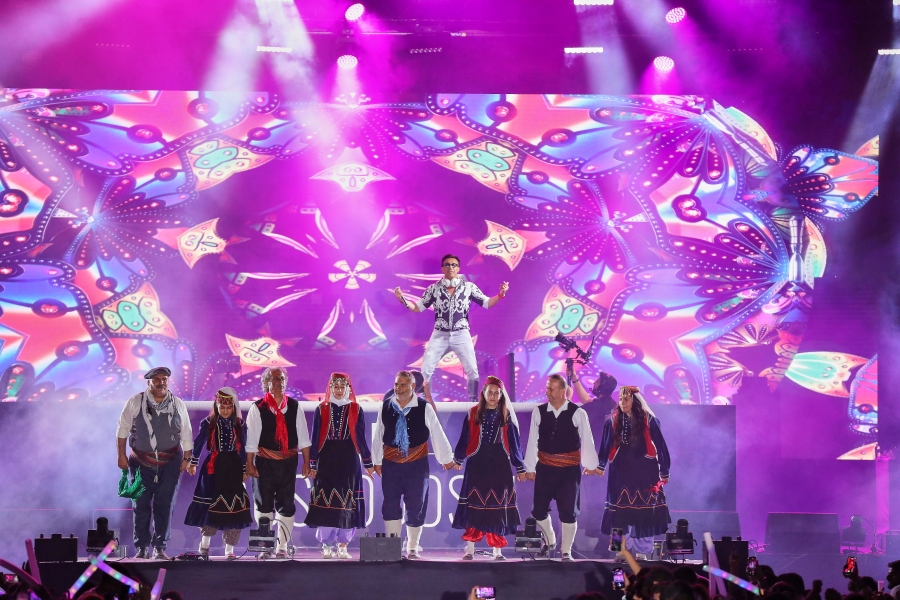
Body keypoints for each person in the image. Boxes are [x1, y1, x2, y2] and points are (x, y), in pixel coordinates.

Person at [392, 253, 509, 402]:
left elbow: (487, 303)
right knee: (426, 369)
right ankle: (423, 401)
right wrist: (402, 299)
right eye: (447, 265)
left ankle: (473, 402)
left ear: (458, 268)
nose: (451, 267)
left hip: (461, 333)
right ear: (442, 268)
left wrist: (500, 294)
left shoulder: (468, 287)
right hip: (440, 334)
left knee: (472, 370)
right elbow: (417, 307)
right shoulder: (434, 289)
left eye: (454, 265)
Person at [373, 370, 455, 558]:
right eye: (396, 384)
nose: (398, 388)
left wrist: (446, 458)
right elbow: (378, 434)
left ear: (412, 386)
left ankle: (412, 547)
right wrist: (376, 460)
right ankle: (392, 548)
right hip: (391, 463)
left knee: (416, 503)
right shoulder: (386, 406)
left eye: (403, 385)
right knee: (390, 504)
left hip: (417, 464)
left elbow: (437, 432)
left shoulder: (424, 407)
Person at [116, 366, 193, 560]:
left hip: (170, 462)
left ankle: (159, 547)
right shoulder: (135, 402)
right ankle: (142, 547)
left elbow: (186, 432)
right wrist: (121, 455)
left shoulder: (177, 404)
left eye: (164, 379)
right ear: (149, 382)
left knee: (165, 504)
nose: (161, 382)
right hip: (140, 462)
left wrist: (187, 458)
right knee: (140, 504)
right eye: (157, 379)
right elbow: (122, 430)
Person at [523, 373, 601, 561]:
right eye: (547, 388)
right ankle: (550, 541)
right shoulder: (539, 412)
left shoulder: (578, 412)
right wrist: (530, 467)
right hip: (545, 468)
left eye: (551, 388)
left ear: (562, 391)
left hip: (568, 471)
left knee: (568, 512)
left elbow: (587, 439)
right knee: (538, 510)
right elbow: (533, 440)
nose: (547, 392)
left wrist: (590, 464)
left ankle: (566, 551)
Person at [451, 376, 527, 560]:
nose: (493, 396)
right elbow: (465, 437)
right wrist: (458, 458)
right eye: (490, 392)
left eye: (496, 393)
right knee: (474, 505)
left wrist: (520, 467)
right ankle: (470, 549)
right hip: (477, 461)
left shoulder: (505, 414)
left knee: (497, 506)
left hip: (499, 463)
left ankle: (497, 550)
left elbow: (514, 442)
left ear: (501, 395)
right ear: (483, 394)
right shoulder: (473, 413)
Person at [304, 372, 374, 559]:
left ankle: (343, 545)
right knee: (326, 500)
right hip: (326, 459)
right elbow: (315, 437)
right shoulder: (322, 409)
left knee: (347, 502)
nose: (339, 390)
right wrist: (312, 463)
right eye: (336, 386)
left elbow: (361, 437)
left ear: (348, 388)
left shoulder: (356, 409)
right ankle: (327, 544)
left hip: (349, 459)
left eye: (343, 386)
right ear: (330, 387)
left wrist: (368, 462)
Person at [597, 385, 671, 559]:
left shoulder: (649, 420)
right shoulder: (612, 421)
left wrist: (664, 470)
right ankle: (619, 550)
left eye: (626, 399)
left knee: (644, 512)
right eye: (620, 399)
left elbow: (661, 446)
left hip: (645, 472)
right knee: (617, 514)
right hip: (619, 473)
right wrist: (600, 466)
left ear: (635, 401)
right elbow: (605, 446)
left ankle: (642, 552)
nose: (622, 403)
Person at [245, 367, 312, 559]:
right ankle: (265, 546)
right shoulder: (257, 408)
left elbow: (303, 438)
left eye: (281, 378)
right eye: (275, 379)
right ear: (266, 383)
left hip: (288, 462)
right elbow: (251, 440)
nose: (279, 382)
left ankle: (282, 547)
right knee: (263, 504)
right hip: (264, 462)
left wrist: (306, 462)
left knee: (286, 504)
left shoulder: (295, 406)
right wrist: (250, 464)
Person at [184, 387, 252, 559]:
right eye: (222, 407)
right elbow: (199, 443)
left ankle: (229, 549)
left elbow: (244, 447)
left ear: (234, 407)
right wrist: (193, 462)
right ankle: (204, 546)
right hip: (213, 468)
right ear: (216, 406)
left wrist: (245, 469)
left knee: (234, 506)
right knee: (210, 505)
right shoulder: (208, 422)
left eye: (229, 408)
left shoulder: (240, 424)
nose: (225, 411)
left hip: (233, 467)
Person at [569, 365, 618, 543]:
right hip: (611, 462)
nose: (594, 384)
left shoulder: (595, 408)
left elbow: (576, 411)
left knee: (596, 500)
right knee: (612, 503)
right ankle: (612, 547)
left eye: (597, 382)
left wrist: (568, 396)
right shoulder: (613, 407)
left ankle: (602, 538)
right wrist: (575, 379)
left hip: (595, 462)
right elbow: (587, 401)